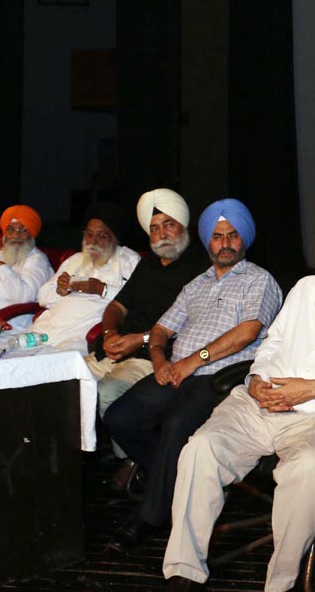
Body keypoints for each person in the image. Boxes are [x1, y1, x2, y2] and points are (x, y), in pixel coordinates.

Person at [151, 205, 315, 592]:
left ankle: (279, 587)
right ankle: (183, 576)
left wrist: (312, 389)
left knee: (308, 469)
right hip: (256, 403)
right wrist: (257, 378)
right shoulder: (303, 290)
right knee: (200, 449)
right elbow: (272, 342)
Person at [104, 198, 282, 549]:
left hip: (223, 378)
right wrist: (158, 359)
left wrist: (193, 361)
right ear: (208, 241)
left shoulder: (259, 280)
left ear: (243, 239)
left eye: (232, 235)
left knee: (174, 427)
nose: (225, 243)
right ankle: (179, 484)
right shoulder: (196, 284)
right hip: (176, 373)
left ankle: (149, 517)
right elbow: (160, 330)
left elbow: (248, 331)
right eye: (217, 237)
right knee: (119, 417)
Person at [87, 189, 208, 486]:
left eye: (169, 224)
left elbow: (194, 327)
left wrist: (137, 340)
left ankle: (132, 458)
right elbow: (116, 306)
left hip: (153, 356)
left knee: (106, 392)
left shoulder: (201, 266)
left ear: (183, 225)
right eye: (154, 228)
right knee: (66, 384)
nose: (162, 234)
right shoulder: (149, 264)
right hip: (117, 349)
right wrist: (110, 332)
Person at [31, 203, 141, 354]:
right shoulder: (74, 260)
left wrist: (102, 290)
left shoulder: (128, 260)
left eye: (102, 236)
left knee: (49, 366)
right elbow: (42, 298)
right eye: (89, 234)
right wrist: (60, 290)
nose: (93, 241)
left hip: (80, 335)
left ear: (114, 239)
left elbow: (136, 301)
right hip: (47, 327)